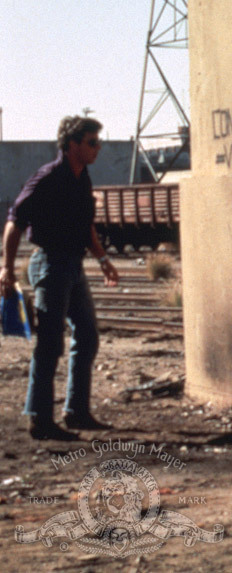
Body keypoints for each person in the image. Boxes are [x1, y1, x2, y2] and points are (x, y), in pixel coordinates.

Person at [1, 116, 119, 440]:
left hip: (73, 266)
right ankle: (39, 419)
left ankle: (76, 413)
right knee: (50, 343)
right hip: (50, 265)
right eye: (92, 142)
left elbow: (86, 226)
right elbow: (14, 222)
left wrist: (103, 259)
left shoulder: (83, 178)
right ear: (72, 145)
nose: (98, 148)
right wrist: (6, 270)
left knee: (88, 336)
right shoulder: (47, 178)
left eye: (99, 142)